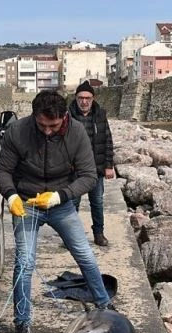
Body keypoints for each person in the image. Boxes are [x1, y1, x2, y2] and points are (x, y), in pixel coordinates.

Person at [0, 90, 114, 333]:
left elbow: (89, 176)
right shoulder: (18, 131)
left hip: (60, 203)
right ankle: (22, 324)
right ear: (34, 116)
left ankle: (104, 305)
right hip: (26, 202)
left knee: (85, 254)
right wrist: (11, 195)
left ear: (64, 118)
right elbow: (3, 169)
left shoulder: (77, 133)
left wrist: (60, 196)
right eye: (42, 125)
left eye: (54, 125)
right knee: (24, 264)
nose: (48, 131)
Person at [69, 81, 115, 246]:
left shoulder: (100, 114)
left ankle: (99, 233)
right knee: (73, 204)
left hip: (96, 168)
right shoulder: (68, 115)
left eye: (87, 98)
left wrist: (109, 166)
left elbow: (108, 140)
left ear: (93, 98)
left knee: (97, 202)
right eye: (81, 98)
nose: (84, 101)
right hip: (74, 170)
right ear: (76, 98)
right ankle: (71, 236)